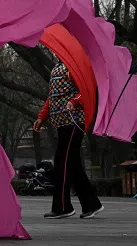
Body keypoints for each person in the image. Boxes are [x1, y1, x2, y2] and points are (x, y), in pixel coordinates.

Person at [33, 59, 103, 219]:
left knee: (62, 162)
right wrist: (41, 117)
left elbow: (87, 89)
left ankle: (62, 206)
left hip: (73, 121)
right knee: (72, 164)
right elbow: (53, 97)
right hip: (61, 123)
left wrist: (75, 101)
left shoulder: (74, 66)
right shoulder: (57, 68)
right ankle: (91, 204)